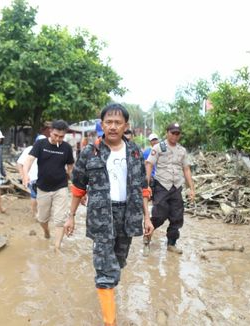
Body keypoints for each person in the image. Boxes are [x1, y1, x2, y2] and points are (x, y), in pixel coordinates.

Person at [65, 103, 153, 326]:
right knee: (105, 269)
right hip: (101, 216)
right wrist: (71, 216)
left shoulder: (133, 151)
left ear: (126, 125)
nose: (113, 126)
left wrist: (147, 217)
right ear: (102, 124)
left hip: (128, 214)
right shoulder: (90, 152)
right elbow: (78, 187)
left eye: (118, 122)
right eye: (108, 122)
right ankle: (110, 321)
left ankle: (108, 290)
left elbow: (142, 186)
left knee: (119, 262)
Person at [22, 120, 74, 252]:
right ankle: (46, 231)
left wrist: (73, 181)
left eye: (61, 136)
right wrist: (25, 175)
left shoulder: (66, 148)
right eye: (55, 135)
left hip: (61, 187)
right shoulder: (40, 144)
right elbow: (28, 160)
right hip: (43, 188)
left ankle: (57, 247)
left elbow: (70, 167)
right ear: (50, 131)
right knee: (42, 219)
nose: (58, 138)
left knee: (60, 219)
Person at [144, 123, 195, 256]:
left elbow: (186, 169)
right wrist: (147, 184)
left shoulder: (182, 151)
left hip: (176, 186)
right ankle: (147, 237)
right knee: (159, 215)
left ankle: (171, 244)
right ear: (167, 132)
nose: (175, 135)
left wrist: (192, 189)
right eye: (172, 133)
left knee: (177, 216)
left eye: (177, 133)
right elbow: (149, 164)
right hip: (161, 185)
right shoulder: (158, 147)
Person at [16, 133, 47, 217]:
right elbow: (19, 164)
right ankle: (35, 213)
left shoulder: (46, 150)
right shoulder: (29, 150)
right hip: (33, 178)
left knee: (40, 196)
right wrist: (23, 176)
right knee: (35, 195)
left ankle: (38, 213)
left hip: (43, 178)